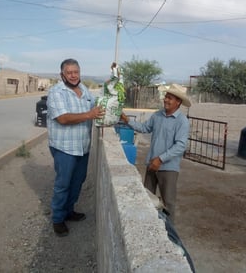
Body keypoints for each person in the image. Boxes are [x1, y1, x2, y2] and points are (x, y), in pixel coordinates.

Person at [47, 58, 105, 237]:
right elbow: (63, 119)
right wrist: (90, 114)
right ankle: (57, 219)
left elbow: (96, 107)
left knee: (77, 181)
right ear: (62, 74)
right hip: (64, 147)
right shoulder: (57, 92)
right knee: (63, 184)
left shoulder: (85, 90)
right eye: (69, 72)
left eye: (76, 72)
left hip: (82, 147)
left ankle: (69, 211)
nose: (73, 76)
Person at [120, 84, 191, 223]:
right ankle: (148, 225)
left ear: (178, 102)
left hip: (168, 168)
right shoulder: (158, 115)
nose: (165, 100)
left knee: (168, 203)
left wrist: (160, 159)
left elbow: (181, 146)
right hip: (152, 165)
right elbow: (145, 127)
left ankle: (169, 235)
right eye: (166, 97)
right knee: (147, 198)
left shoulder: (182, 121)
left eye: (170, 98)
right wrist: (127, 120)